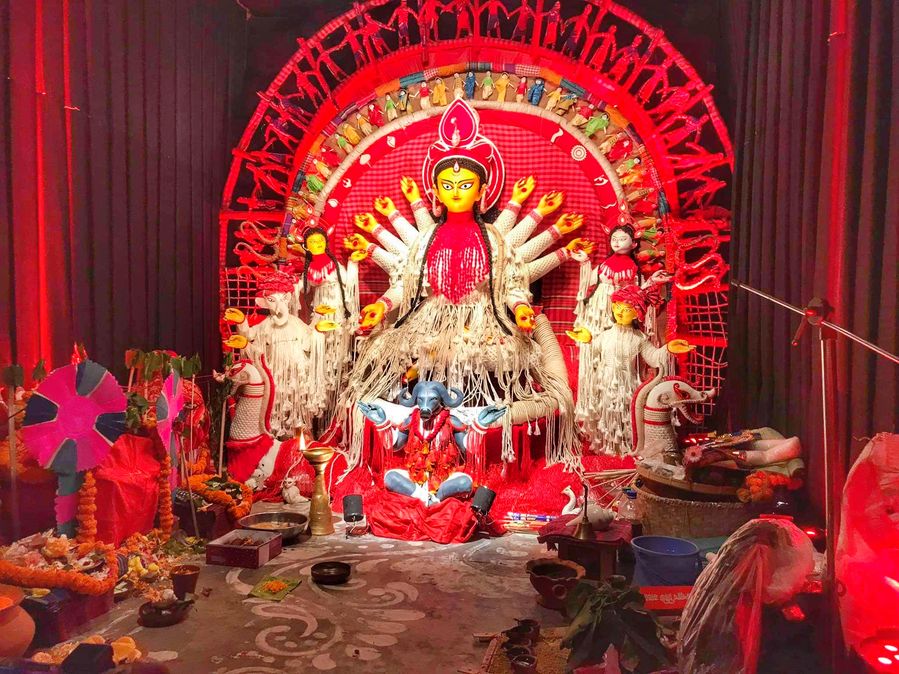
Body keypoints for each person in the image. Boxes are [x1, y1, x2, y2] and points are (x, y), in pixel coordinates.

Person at [338, 99, 583, 472]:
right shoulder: (425, 240)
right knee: (392, 355)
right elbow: (409, 285)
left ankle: (470, 438)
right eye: (447, 185)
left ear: (481, 190)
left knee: (488, 360)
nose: (456, 192)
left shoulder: (494, 239)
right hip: (429, 320)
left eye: (465, 185)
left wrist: (520, 309)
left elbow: (510, 284)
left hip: (482, 322)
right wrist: (382, 306)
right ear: (436, 191)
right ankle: (418, 436)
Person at [572, 285, 692, 454]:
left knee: (628, 417)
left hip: (629, 387)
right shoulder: (605, 336)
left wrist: (668, 349)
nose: (620, 313)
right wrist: (588, 341)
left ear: (637, 314)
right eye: (617, 307)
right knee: (606, 416)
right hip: (605, 385)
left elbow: (654, 358)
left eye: (627, 309)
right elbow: (593, 352)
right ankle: (608, 447)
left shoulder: (639, 339)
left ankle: (628, 447)